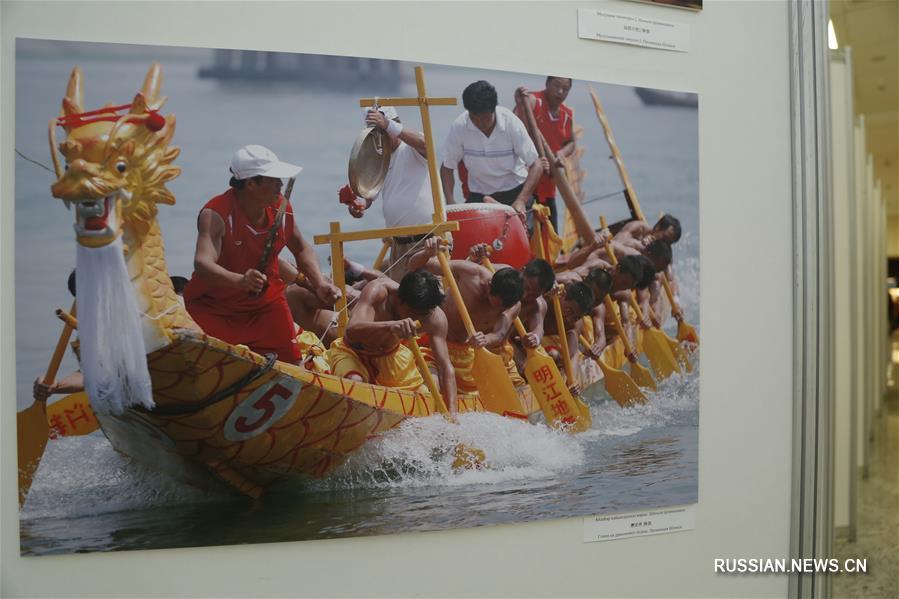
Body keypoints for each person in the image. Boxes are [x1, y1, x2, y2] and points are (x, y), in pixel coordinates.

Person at [183, 145, 340, 364]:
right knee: (210, 366)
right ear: (250, 184)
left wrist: (319, 282)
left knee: (293, 366)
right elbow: (202, 263)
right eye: (273, 180)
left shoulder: (282, 209)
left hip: (266, 306)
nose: (281, 185)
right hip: (214, 308)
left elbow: (301, 248)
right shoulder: (216, 214)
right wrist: (240, 281)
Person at [326, 270, 459, 412]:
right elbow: (352, 330)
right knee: (355, 383)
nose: (418, 319)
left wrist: (452, 411)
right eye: (414, 313)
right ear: (399, 299)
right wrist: (390, 326)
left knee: (422, 399)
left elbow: (445, 366)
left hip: (392, 359)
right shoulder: (378, 291)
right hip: (352, 352)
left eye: (424, 315)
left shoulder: (434, 317)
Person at [340, 106, 444, 281]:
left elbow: (426, 145)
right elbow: (369, 195)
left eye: (382, 131)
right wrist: (358, 206)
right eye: (374, 132)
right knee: (401, 301)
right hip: (398, 244)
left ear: (396, 125)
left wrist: (387, 124)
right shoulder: (379, 157)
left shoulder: (411, 147)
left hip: (428, 241)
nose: (378, 137)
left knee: (429, 296)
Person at [408, 237, 524, 393]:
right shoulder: (471, 273)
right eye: (495, 303)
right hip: (434, 344)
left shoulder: (513, 304)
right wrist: (427, 253)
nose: (500, 310)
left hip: (467, 355)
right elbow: (415, 266)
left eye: (505, 307)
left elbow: (499, 333)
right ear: (488, 286)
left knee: (485, 393)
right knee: (431, 387)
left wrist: (486, 339)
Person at [440, 80, 545, 218]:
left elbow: (536, 164)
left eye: (484, 118)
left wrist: (521, 200)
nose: (480, 123)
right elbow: (447, 166)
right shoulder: (460, 126)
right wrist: (450, 201)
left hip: (514, 192)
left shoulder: (510, 123)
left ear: (494, 109)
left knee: (521, 232)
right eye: (474, 118)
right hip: (479, 197)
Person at [513, 77, 576, 232]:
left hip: (549, 185)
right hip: (525, 184)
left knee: (551, 234)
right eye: (557, 86)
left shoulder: (567, 115)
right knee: (525, 232)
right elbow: (515, 128)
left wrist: (560, 154)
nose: (560, 92)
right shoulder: (533, 101)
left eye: (565, 89)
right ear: (547, 84)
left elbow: (572, 143)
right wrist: (521, 104)